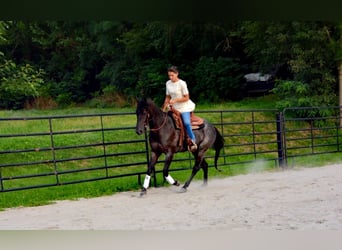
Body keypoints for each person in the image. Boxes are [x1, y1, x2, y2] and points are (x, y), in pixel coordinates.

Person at [162, 66, 197, 152]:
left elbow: (187, 98)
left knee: (186, 122)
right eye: (169, 75)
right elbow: (168, 96)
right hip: (173, 107)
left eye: (172, 75)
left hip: (184, 106)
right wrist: (164, 105)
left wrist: (176, 100)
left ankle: (193, 139)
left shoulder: (182, 83)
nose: (170, 77)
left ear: (177, 74)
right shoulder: (168, 83)